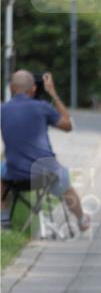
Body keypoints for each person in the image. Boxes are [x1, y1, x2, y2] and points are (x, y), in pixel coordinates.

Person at [1, 70, 90, 231]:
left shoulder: (3, 110)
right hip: (46, 175)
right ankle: (82, 220)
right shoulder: (42, 107)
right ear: (34, 89)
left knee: (1, 171)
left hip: (16, 176)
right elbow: (68, 125)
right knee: (64, 180)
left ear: (11, 88)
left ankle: (4, 221)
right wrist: (53, 93)